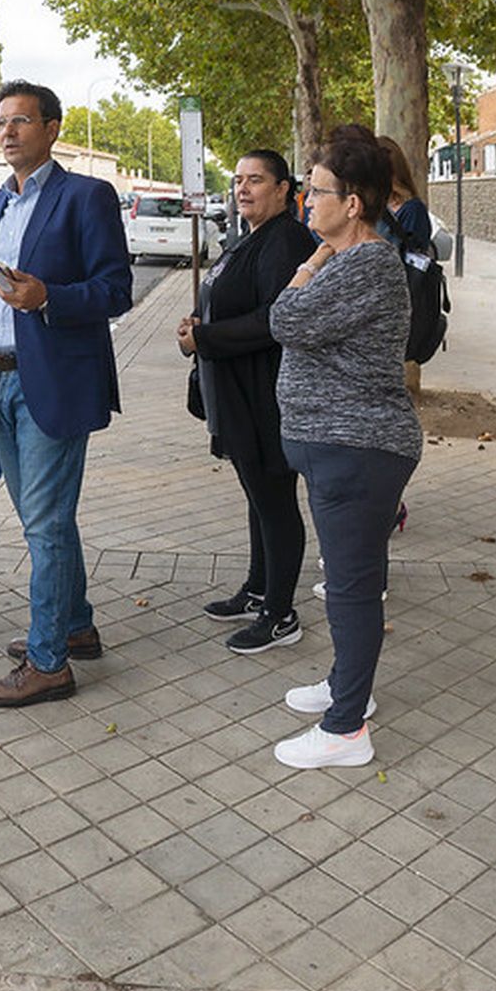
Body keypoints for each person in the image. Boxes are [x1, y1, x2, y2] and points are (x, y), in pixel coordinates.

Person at [0, 79, 133, 708]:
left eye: (21, 121)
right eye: (0, 122)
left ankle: (48, 660)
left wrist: (47, 296)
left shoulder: (87, 197)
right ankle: (74, 626)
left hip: (52, 383)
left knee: (47, 526)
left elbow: (115, 289)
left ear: (53, 129)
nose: (7, 132)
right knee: (41, 521)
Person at [269, 124, 422, 769]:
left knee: (352, 589)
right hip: (338, 445)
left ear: (352, 203)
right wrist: (321, 256)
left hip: (357, 447)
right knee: (350, 580)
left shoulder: (367, 265)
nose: (306, 201)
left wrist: (309, 262)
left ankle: (345, 730)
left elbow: (286, 318)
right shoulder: (353, 258)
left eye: (317, 190)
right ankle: (345, 687)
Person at [177, 150, 314, 654]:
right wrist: (193, 328)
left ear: (283, 189)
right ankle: (259, 589)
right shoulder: (249, 238)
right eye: (238, 180)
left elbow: (273, 319)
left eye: (255, 180)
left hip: (268, 398)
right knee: (258, 501)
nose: (243, 188)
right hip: (237, 396)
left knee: (275, 503)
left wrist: (206, 337)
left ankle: (280, 615)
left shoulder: (286, 241)